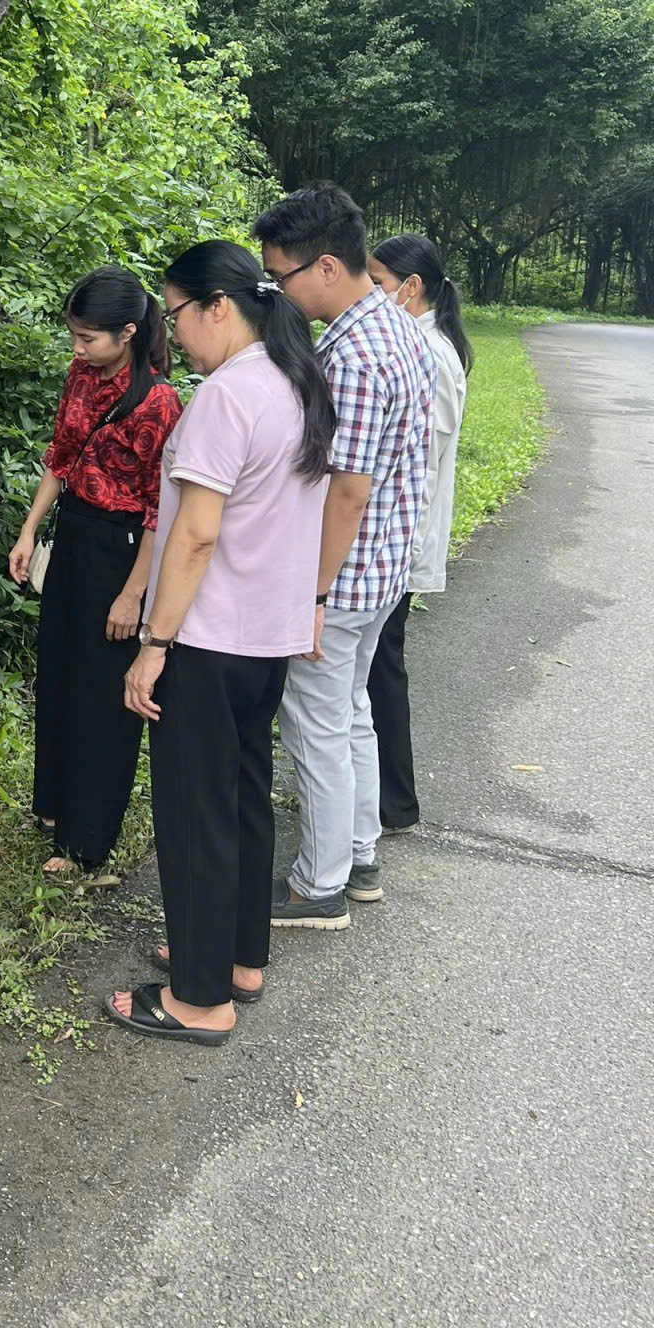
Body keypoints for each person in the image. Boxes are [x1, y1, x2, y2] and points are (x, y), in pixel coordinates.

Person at [103, 243, 334, 1045]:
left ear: (217, 307)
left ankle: (200, 998)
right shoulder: (297, 382)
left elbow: (194, 537)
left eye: (174, 314)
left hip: (207, 639)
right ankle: (237, 957)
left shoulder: (226, 398)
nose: (174, 334)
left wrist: (154, 644)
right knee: (241, 799)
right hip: (265, 639)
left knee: (195, 813)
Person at [254, 183, 434, 928]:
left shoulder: (354, 354)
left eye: (281, 277)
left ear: (324, 266)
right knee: (351, 713)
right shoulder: (400, 329)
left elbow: (347, 491)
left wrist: (314, 594)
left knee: (316, 726)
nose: (278, 292)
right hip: (384, 568)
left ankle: (318, 884)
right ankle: (357, 855)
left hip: (346, 575)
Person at [9, 267, 181, 876]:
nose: (78, 349)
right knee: (58, 673)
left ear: (128, 332)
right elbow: (60, 455)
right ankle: (54, 805)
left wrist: (134, 594)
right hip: (75, 533)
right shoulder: (81, 376)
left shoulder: (158, 402)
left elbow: (161, 510)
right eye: (74, 337)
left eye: (88, 338)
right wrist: (31, 529)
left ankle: (87, 841)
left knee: (103, 695)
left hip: (123, 548)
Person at [367, 234, 473, 831]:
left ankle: (393, 801)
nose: (371, 294)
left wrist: (396, 539)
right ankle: (384, 796)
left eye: (378, 283)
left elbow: (419, 459)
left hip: (398, 536)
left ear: (412, 288)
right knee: (380, 663)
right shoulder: (421, 343)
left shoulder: (430, 352)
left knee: (381, 665)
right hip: (397, 535)